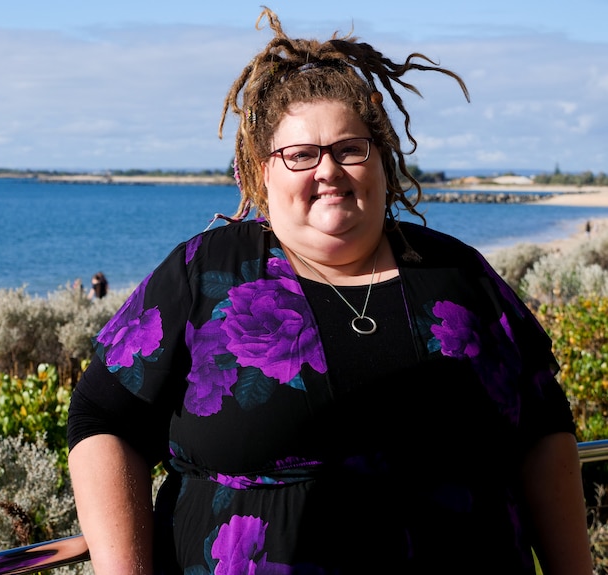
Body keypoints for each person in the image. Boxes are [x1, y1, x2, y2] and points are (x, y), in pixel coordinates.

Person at [67, 9, 592, 575]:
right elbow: (102, 418)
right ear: (259, 173)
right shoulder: (207, 272)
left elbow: (543, 427)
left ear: (382, 161)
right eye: (301, 154)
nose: (329, 171)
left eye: (350, 148)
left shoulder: (457, 273)